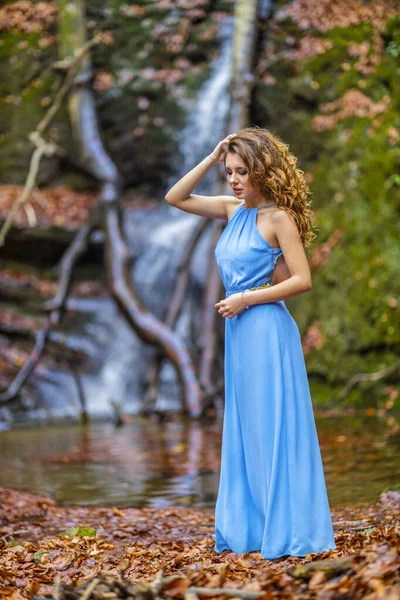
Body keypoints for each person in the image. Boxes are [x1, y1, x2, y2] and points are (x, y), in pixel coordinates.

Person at [165, 126, 336, 560]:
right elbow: (176, 198)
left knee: (275, 425)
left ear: (262, 171)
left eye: (243, 172)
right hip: (239, 333)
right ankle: (256, 529)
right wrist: (210, 156)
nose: (236, 180)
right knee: (247, 429)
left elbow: (302, 280)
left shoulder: (278, 218)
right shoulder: (230, 209)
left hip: (265, 329)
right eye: (229, 173)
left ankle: (290, 531)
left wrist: (246, 298)